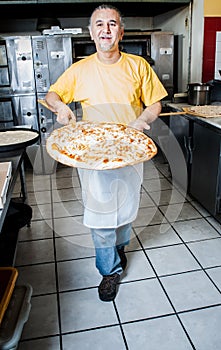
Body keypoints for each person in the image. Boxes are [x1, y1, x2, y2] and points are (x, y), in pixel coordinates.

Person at [45, 4, 168, 302]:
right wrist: (61, 106)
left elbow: (155, 103)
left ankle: (119, 246)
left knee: (126, 211)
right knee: (100, 216)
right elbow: (52, 95)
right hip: (94, 154)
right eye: (99, 24)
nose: (106, 29)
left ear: (121, 31)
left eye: (112, 24)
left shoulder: (138, 66)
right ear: (91, 32)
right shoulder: (80, 69)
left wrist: (143, 119)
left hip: (130, 152)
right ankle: (109, 271)